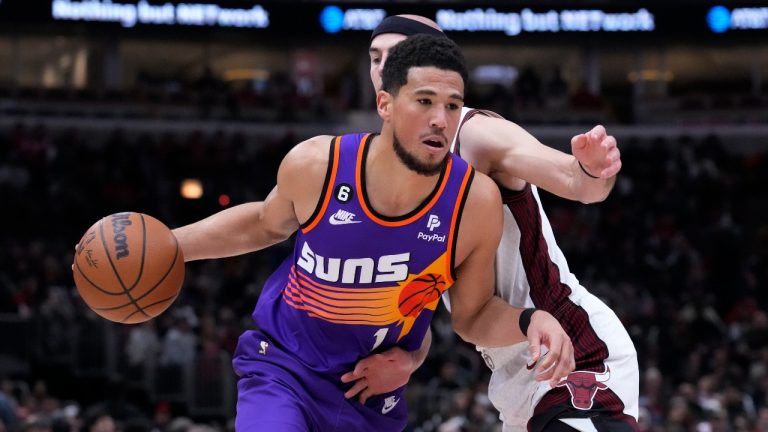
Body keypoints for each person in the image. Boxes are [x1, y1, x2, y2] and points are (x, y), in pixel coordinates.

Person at [172, 34, 574, 431]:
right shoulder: (318, 165)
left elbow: (473, 316)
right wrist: (170, 246)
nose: (441, 119)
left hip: (370, 394)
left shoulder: (474, 201)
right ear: (385, 104)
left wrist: (531, 320)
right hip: (284, 370)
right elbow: (263, 223)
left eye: (453, 105)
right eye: (425, 101)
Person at [339, 15, 639, 432]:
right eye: (375, 57)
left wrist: (591, 169)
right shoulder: (391, 170)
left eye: (398, 53)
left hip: (576, 350)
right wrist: (410, 359)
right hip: (512, 374)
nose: (382, 67)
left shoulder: (475, 134)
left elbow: (577, 183)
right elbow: (429, 300)